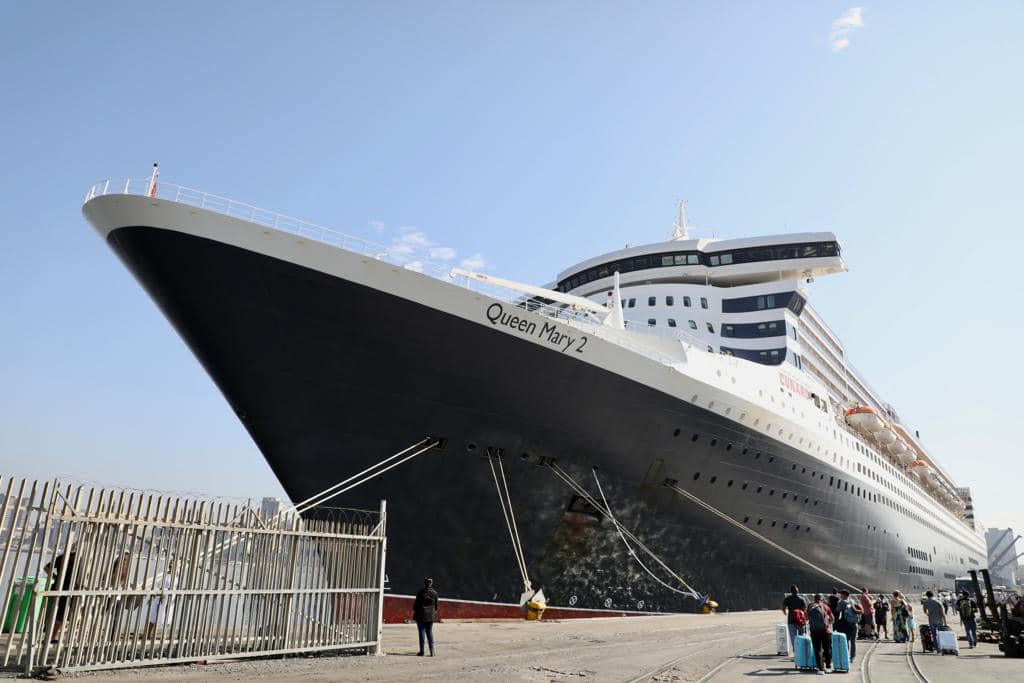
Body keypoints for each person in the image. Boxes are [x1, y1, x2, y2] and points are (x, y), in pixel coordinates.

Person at [43, 549, 78, 641]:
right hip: (69, 589)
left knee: (54, 611)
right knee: (61, 614)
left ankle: (48, 633)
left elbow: (46, 568)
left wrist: (56, 577)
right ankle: (51, 637)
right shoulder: (78, 559)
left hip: (57, 587)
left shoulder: (61, 557)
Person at [806, 594, 834, 675]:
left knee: (817, 650)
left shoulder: (810, 606)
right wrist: (829, 624)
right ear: (822, 599)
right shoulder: (826, 607)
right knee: (827, 648)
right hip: (825, 631)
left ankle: (820, 669)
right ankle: (828, 667)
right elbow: (832, 618)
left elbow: (806, 617)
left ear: (814, 599)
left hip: (814, 631)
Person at [413, 577, 439, 656]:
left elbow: (415, 605)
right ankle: (432, 652)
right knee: (430, 632)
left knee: (421, 632)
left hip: (421, 615)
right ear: (431, 583)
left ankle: (422, 651)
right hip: (430, 616)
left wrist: (415, 611)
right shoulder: (435, 593)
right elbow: (436, 606)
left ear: (424, 583)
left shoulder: (420, 592)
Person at [835, 590, 861, 661]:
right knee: (853, 641)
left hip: (847, 624)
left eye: (841, 595)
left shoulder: (842, 602)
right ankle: (852, 657)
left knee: (846, 640)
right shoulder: (852, 601)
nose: (840, 596)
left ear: (844, 595)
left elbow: (837, 610)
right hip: (854, 623)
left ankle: (846, 655)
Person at [781, 585, 807, 654]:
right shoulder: (802, 599)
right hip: (801, 621)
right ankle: (802, 652)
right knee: (802, 636)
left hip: (791, 620)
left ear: (791, 591)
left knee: (793, 637)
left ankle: (796, 652)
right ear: (798, 591)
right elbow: (805, 610)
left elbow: (783, 608)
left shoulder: (788, 598)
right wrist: (806, 619)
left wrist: (785, 612)